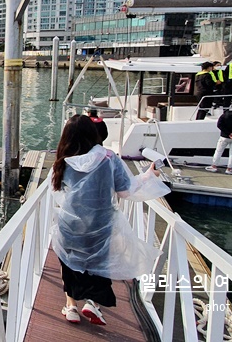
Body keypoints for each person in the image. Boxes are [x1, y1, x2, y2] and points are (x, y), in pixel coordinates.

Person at [50, 115, 162, 325]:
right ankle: (92, 303)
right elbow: (125, 191)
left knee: (69, 262)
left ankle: (71, 307)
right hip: (99, 223)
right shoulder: (108, 158)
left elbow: (57, 190)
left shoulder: (63, 159)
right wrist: (148, 176)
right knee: (97, 263)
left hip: (70, 223)